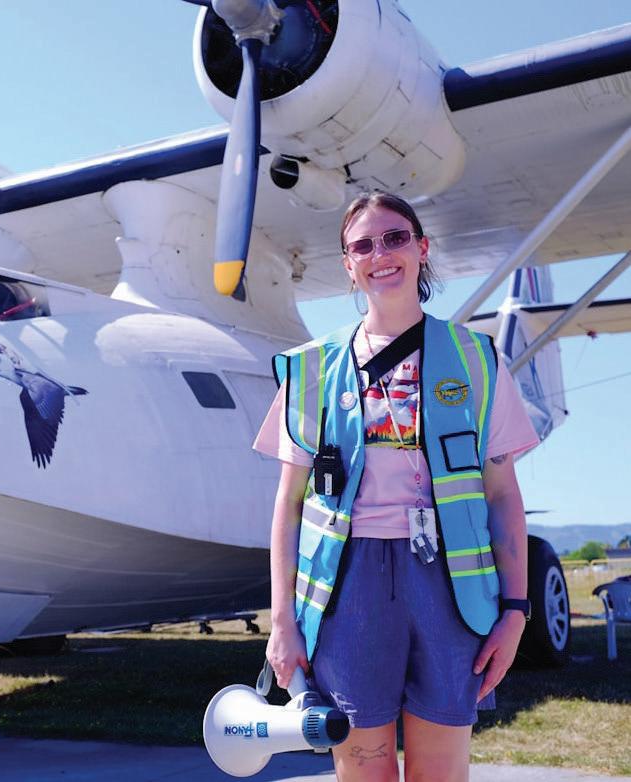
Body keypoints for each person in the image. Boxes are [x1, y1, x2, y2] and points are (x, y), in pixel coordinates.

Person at [253, 192, 539, 781]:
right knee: (363, 767)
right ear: (348, 265)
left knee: (441, 771)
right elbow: (288, 505)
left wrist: (515, 611)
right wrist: (282, 623)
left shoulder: (477, 361)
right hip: (347, 590)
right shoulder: (312, 370)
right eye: (362, 246)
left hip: (451, 587)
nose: (380, 254)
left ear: (422, 248)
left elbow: (503, 495)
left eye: (394, 238)